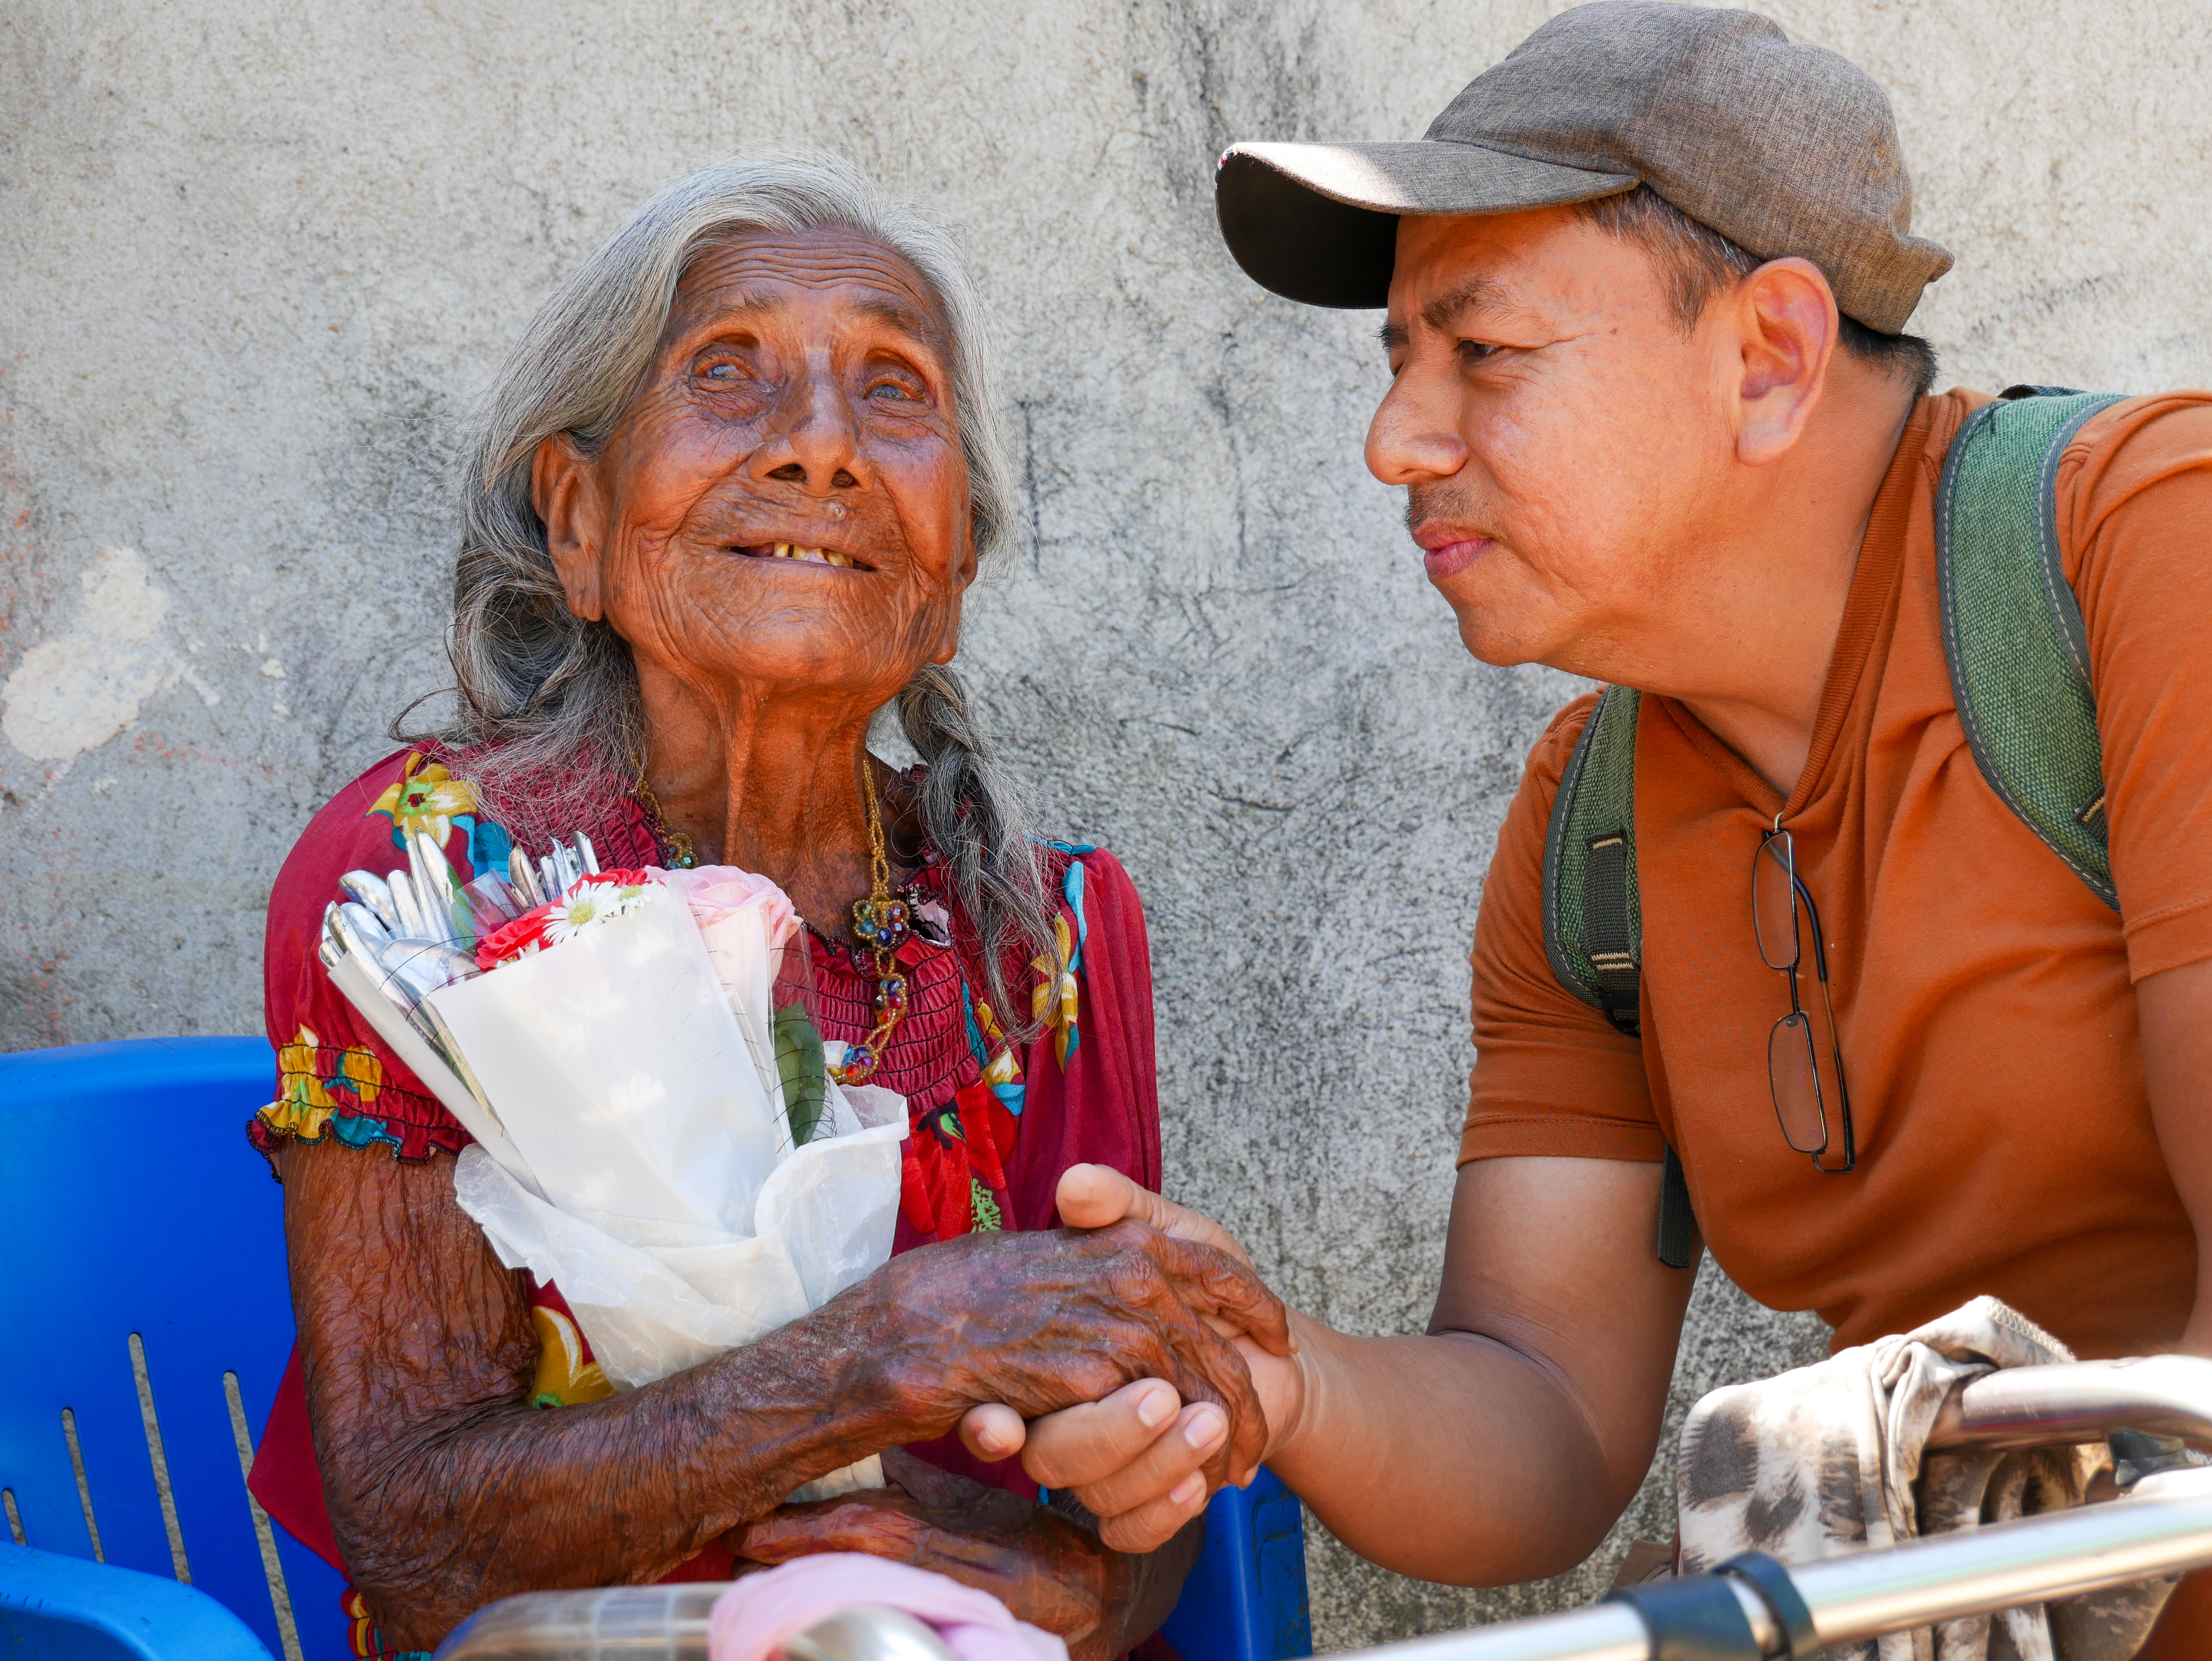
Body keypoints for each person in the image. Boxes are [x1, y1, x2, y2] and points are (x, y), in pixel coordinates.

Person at [967, 5, 2212, 1655]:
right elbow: (1544, 1423)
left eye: (1482, 354)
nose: (1395, 442)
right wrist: (1272, 1375)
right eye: (1400, 360)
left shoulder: (2149, 551)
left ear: (1767, 356)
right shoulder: (1591, 830)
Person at [245, 155, 1286, 1661]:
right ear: (581, 521)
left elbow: (1147, 1505)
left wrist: (1091, 1581)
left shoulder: (1037, 934)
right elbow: (419, 1551)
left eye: (894, 390)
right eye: (726, 377)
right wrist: (880, 1354)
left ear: (952, 570)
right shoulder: (425, 889)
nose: (821, 450)